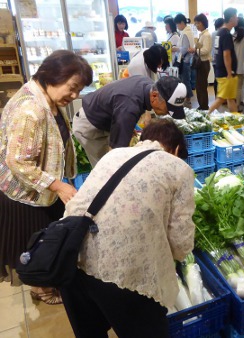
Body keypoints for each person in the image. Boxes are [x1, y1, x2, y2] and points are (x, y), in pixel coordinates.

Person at [60, 119, 195, 337]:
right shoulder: (178, 168)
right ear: (177, 149)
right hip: (121, 274)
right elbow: (181, 243)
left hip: (69, 258)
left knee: (91, 332)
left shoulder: (113, 154)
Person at [0, 50, 92, 304]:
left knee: (46, 239)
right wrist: (57, 185)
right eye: (72, 88)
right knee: (34, 245)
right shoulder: (30, 110)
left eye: (78, 90)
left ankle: (46, 280)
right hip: (24, 194)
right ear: (52, 76)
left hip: (41, 188)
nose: (74, 96)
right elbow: (17, 161)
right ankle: (41, 288)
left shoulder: (47, 99)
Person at [73, 76, 187, 167]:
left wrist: (126, 126)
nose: (167, 113)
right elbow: (115, 153)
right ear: (154, 96)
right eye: (168, 108)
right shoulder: (129, 107)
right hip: (90, 127)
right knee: (107, 169)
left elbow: (120, 109)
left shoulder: (147, 85)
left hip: (105, 120)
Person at [208, 8, 238, 114]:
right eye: (236, 16)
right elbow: (226, 54)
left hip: (220, 70)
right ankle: (206, 115)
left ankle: (236, 118)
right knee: (221, 98)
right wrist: (229, 72)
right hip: (226, 73)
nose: (237, 19)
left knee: (230, 98)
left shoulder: (220, 32)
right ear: (231, 18)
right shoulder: (226, 34)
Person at [191, 13, 212, 110]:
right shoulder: (202, 34)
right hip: (201, 63)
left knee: (201, 87)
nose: (196, 25)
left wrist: (194, 50)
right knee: (199, 86)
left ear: (203, 23)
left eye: (197, 23)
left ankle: (204, 107)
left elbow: (206, 50)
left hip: (203, 63)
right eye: (195, 23)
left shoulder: (206, 35)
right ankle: (202, 106)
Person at [173, 14, 195, 108]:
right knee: (185, 80)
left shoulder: (186, 33)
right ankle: (187, 98)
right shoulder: (187, 31)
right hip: (186, 60)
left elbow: (185, 48)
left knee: (185, 80)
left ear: (182, 23)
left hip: (185, 60)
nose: (177, 27)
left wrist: (176, 49)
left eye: (178, 25)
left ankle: (188, 99)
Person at [234, 16, 244, 112]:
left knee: (235, 87)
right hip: (243, 66)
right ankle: (239, 104)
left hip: (233, 66)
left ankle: (236, 105)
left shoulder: (233, 37)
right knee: (241, 87)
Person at [211, 18, 225, 97]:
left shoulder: (213, 33)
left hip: (214, 59)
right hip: (219, 59)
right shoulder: (220, 33)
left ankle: (217, 95)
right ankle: (220, 96)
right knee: (220, 79)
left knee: (216, 78)